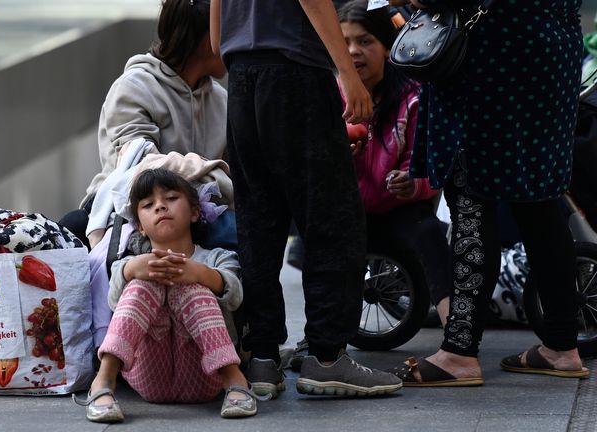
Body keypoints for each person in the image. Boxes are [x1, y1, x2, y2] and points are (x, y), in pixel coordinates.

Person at [390, 0, 590, 386]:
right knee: (540, 197)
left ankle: (459, 352)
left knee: (472, 196)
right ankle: (562, 346)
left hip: (491, 53)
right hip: (553, 47)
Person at [212, 0, 402, 397]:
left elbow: (216, 38)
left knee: (258, 223)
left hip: (243, 78)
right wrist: (347, 74)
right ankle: (328, 358)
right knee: (331, 218)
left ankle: (262, 359)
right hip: (297, 73)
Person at [288, 0, 453, 369]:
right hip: (352, 209)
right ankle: (315, 339)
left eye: (365, 42)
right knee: (324, 240)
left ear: (388, 45)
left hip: (399, 210)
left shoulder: (413, 97)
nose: (353, 52)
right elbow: (311, 164)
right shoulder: (333, 95)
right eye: (344, 42)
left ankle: (456, 333)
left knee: (428, 232)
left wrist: (413, 183)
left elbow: (423, 161)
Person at [79, 168, 258, 422]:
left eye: (171, 198)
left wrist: (199, 274)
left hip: (207, 375)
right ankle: (104, 381)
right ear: (139, 226)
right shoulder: (130, 263)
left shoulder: (217, 257)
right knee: (144, 283)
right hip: (149, 376)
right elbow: (113, 299)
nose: (160, 207)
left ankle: (234, 379)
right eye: (149, 204)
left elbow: (235, 295)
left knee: (189, 284)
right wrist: (132, 269)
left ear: (195, 212)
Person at [60, 0, 227, 248]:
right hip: (129, 215)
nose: (237, 41)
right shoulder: (134, 88)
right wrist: (221, 177)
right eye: (230, 30)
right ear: (207, 40)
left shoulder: (222, 100)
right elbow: (142, 171)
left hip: (196, 218)